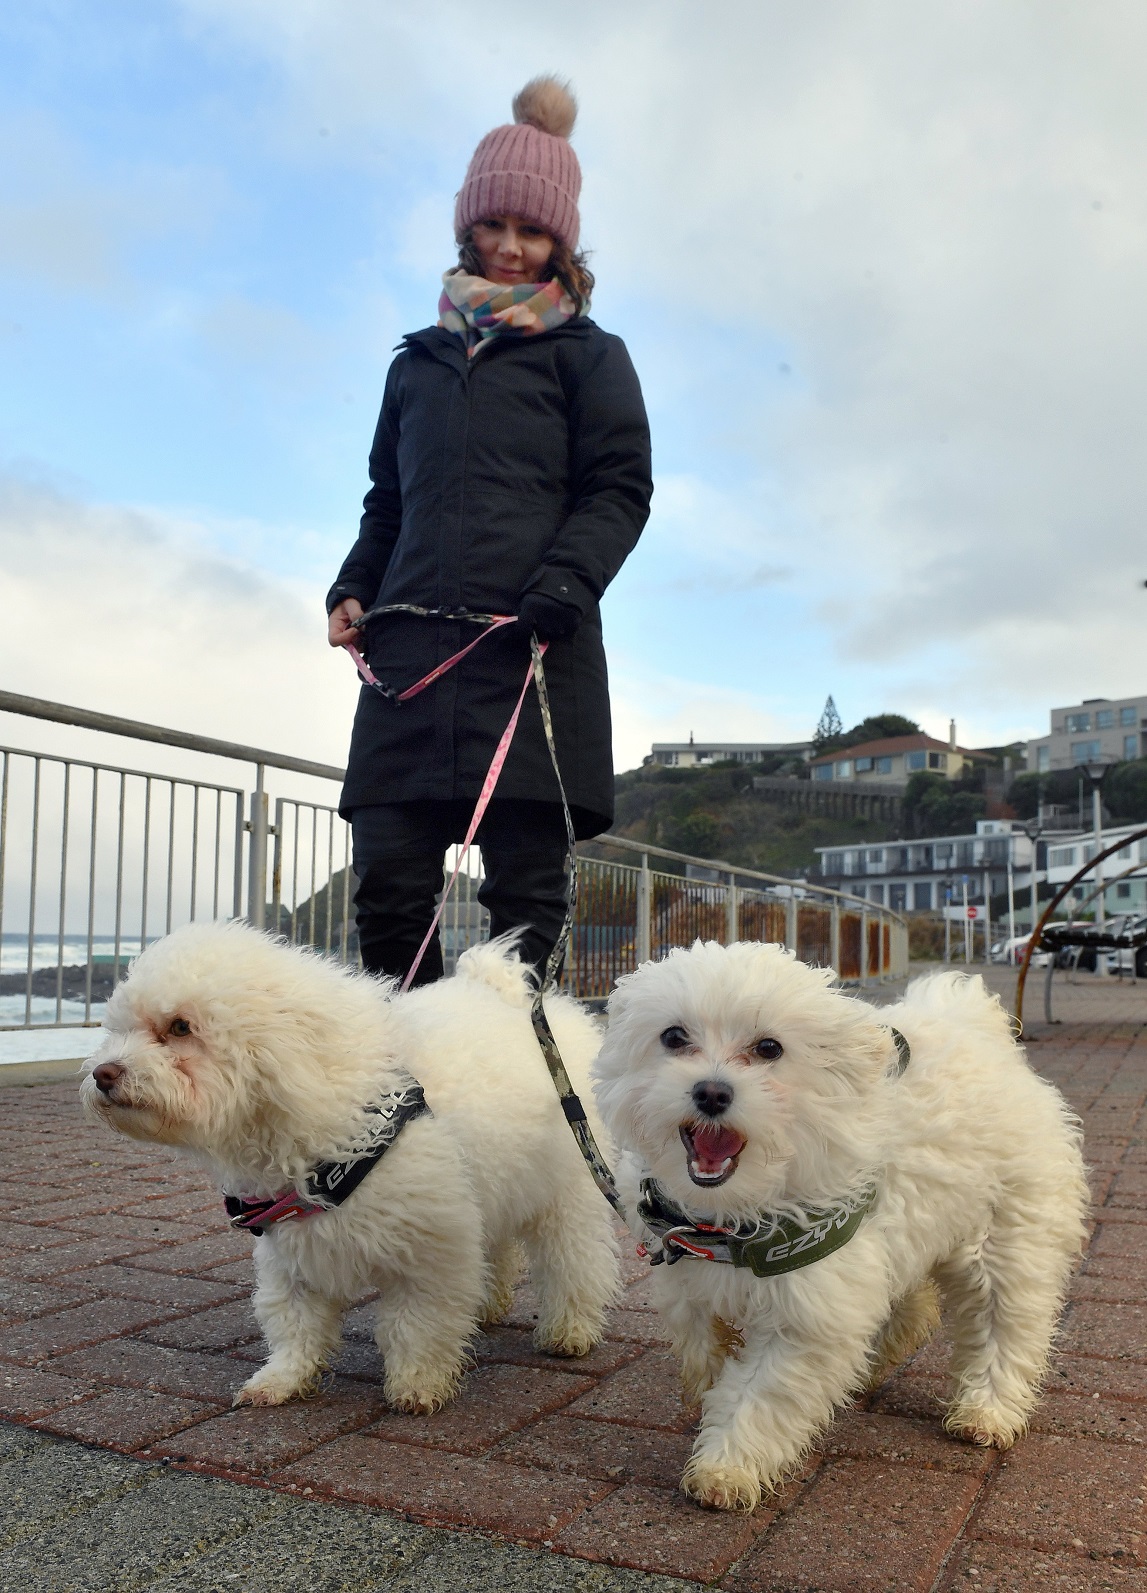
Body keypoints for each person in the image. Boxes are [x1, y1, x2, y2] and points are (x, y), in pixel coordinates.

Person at [326, 76, 653, 988]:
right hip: (408, 661)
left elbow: (620, 489)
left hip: (533, 654)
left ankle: (506, 1103)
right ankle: (410, 1097)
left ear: (561, 241)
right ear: (465, 227)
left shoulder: (591, 357)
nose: (510, 248)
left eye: (533, 231)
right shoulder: (417, 365)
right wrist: (352, 585)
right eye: (493, 227)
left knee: (522, 915)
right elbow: (385, 501)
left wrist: (564, 582)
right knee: (389, 897)